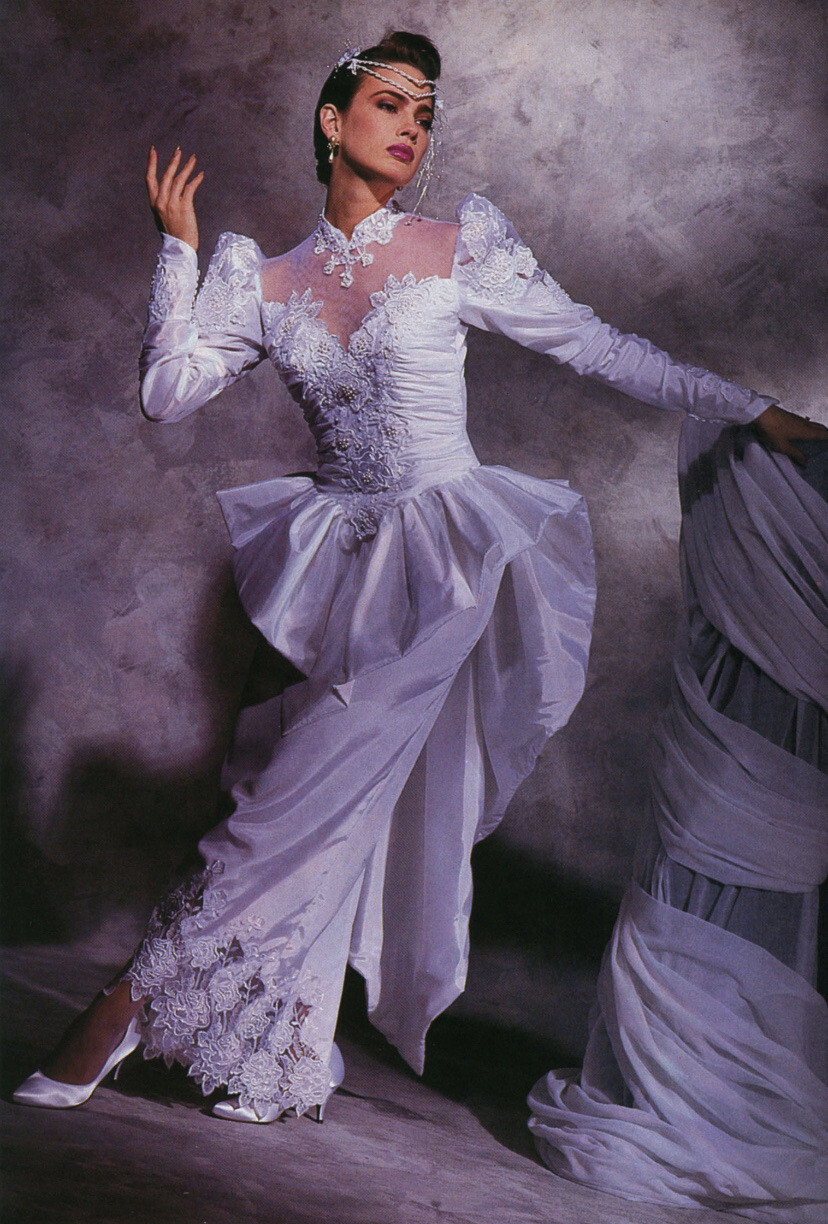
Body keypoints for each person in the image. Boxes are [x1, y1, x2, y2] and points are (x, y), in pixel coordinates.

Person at [13, 30, 826, 1125]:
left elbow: (593, 344)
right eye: (391, 102)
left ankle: (121, 1008)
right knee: (301, 796)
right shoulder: (266, 279)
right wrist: (179, 251)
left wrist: (747, 406)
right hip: (331, 559)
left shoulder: (455, 248)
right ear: (332, 119)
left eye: (426, 113)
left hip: (444, 560)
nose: (412, 127)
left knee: (300, 796)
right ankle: (280, 1049)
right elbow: (168, 395)